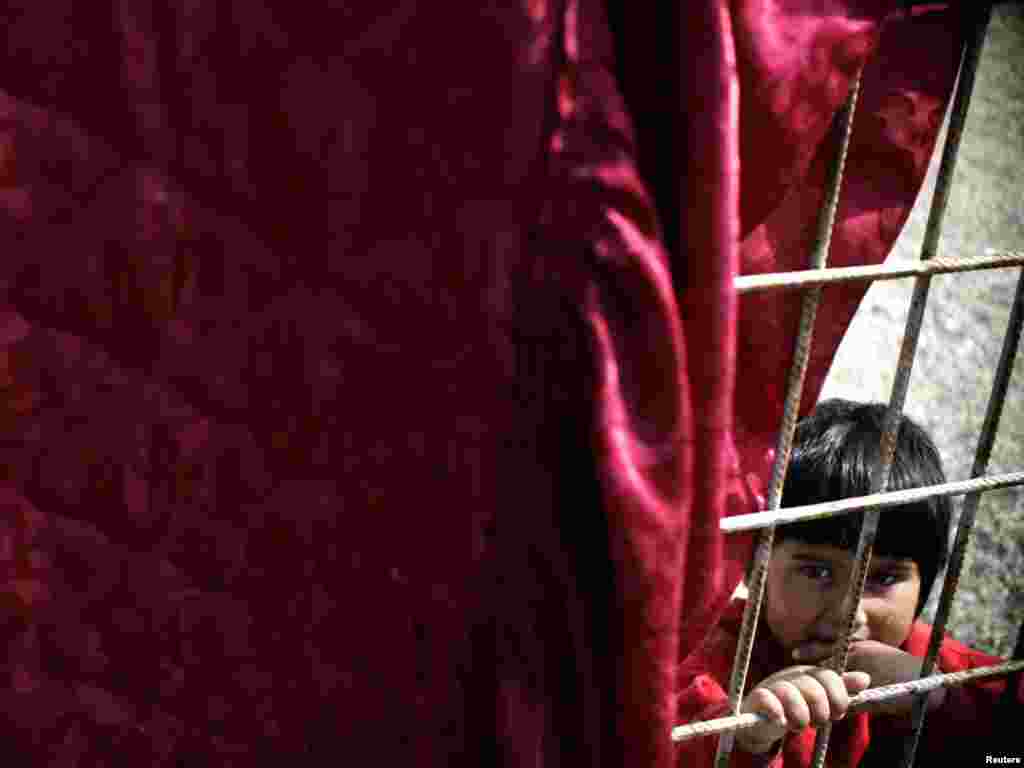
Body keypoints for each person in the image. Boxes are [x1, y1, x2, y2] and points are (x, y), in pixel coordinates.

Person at [675, 399, 1016, 767]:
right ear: (754, 568)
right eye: (817, 572)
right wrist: (746, 738)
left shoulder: (944, 670)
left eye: (884, 578)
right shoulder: (709, 660)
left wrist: (942, 702)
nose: (846, 613)